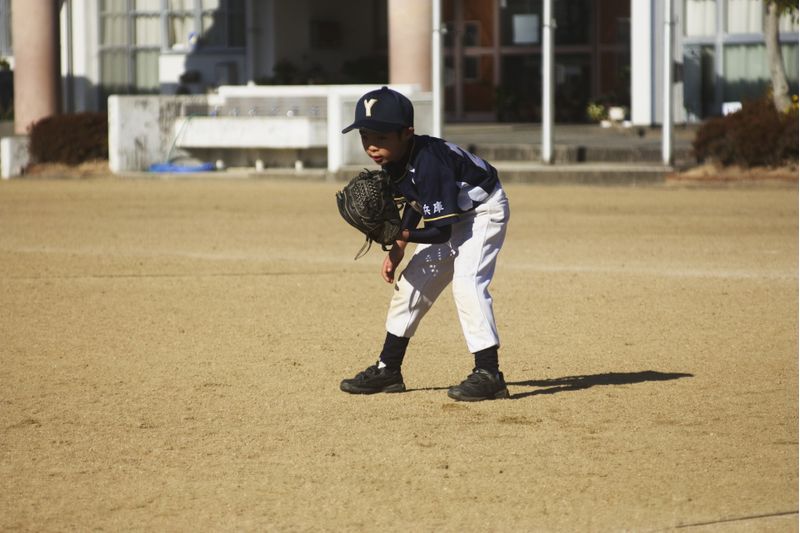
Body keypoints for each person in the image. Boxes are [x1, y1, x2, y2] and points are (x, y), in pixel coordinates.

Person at [339, 86, 511, 401]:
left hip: (482, 211)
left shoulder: (431, 164)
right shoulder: (393, 159)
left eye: (381, 138)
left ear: (407, 133)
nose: (372, 147)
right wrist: (398, 248)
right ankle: (388, 369)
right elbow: (416, 204)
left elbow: (441, 232)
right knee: (411, 285)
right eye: (366, 136)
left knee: (467, 282)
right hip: (451, 215)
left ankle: (489, 373)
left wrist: (400, 235)